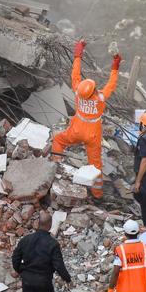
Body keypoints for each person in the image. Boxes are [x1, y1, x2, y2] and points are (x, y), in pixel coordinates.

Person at [52, 40, 121, 199]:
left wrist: (78, 53)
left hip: (76, 130)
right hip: (92, 135)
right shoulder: (100, 98)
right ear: (94, 90)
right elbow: (112, 83)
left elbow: (75, 73)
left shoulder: (77, 91)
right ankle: (97, 194)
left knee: (59, 140)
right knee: (95, 165)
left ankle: (55, 166)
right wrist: (115, 65)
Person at [11, 211, 71, 292]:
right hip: (44, 281)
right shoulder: (53, 244)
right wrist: (67, 279)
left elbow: (15, 258)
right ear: (50, 225)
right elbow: (59, 265)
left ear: (38, 224)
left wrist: (20, 270)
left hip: (27, 280)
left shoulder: (26, 240)